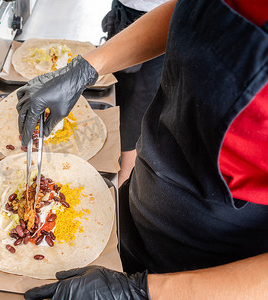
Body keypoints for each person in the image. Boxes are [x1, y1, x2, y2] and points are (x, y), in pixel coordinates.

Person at [16, 0, 268, 298]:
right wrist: (87, 67)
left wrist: (144, 292)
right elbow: (196, 12)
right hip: (139, 207)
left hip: (211, 273)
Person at [102, 0, 168, 186]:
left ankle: (125, 178)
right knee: (118, 93)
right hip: (126, 10)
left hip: (158, 15)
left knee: (137, 104)